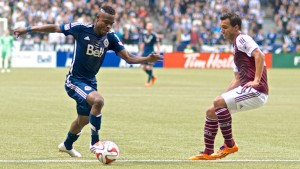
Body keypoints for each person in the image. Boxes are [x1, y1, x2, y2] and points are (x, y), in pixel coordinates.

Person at [13, 5, 163, 158]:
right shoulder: (80, 28)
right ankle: (95, 143)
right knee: (98, 101)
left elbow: (129, 57)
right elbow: (55, 27)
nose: (108, 26)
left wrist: (146, 59)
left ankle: (66, 145)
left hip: (90, 83)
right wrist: (28, 29)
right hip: (74, 81)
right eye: (105, 22)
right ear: (97, 19)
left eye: (111, 23)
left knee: (83, 120)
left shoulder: (110, 37)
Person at [189, 12, 269, 160]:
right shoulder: (236, 48)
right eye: (221, 27)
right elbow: (237, 79)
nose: (222, 31)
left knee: (218, 103)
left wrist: (257, 80)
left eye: (225, 27)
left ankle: (230, 144)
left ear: (236, 27)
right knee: (211, 111)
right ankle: (208, 153)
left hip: (257, 91)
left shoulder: (242, 38)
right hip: (246, 88)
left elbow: (260, 55)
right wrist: (223, 99)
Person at [138, 22, 161, 87]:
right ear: (146, 27)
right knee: (143, 67)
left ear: (152, 27)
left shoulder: (154, 35)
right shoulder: (144, 34)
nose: (149, 27)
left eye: (151, 26)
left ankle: (148, 82)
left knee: (149, 67)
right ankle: (153, 77)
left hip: (151, 53)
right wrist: (140, 51)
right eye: (148, 25)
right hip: (145, 52)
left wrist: (158, 52)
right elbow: (142, 44)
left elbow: (157, 44)